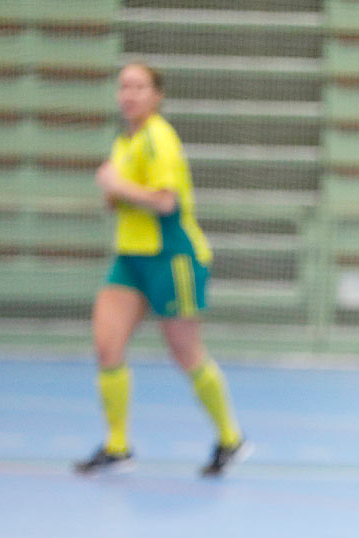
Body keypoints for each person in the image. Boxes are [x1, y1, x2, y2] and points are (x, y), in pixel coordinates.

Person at [75, 61, 248, 477]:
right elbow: (121, 197)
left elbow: (165, 201)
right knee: (106, 346)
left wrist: (117, 186)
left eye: (138, 87)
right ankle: (118, 446)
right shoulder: (125, 141)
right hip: (130, 258)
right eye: (124, 87)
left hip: (172, 257)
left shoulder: (159, 139)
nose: (129, 94)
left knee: (185, 352)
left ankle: (230, 438)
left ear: (156, 95)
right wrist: (112, 194)